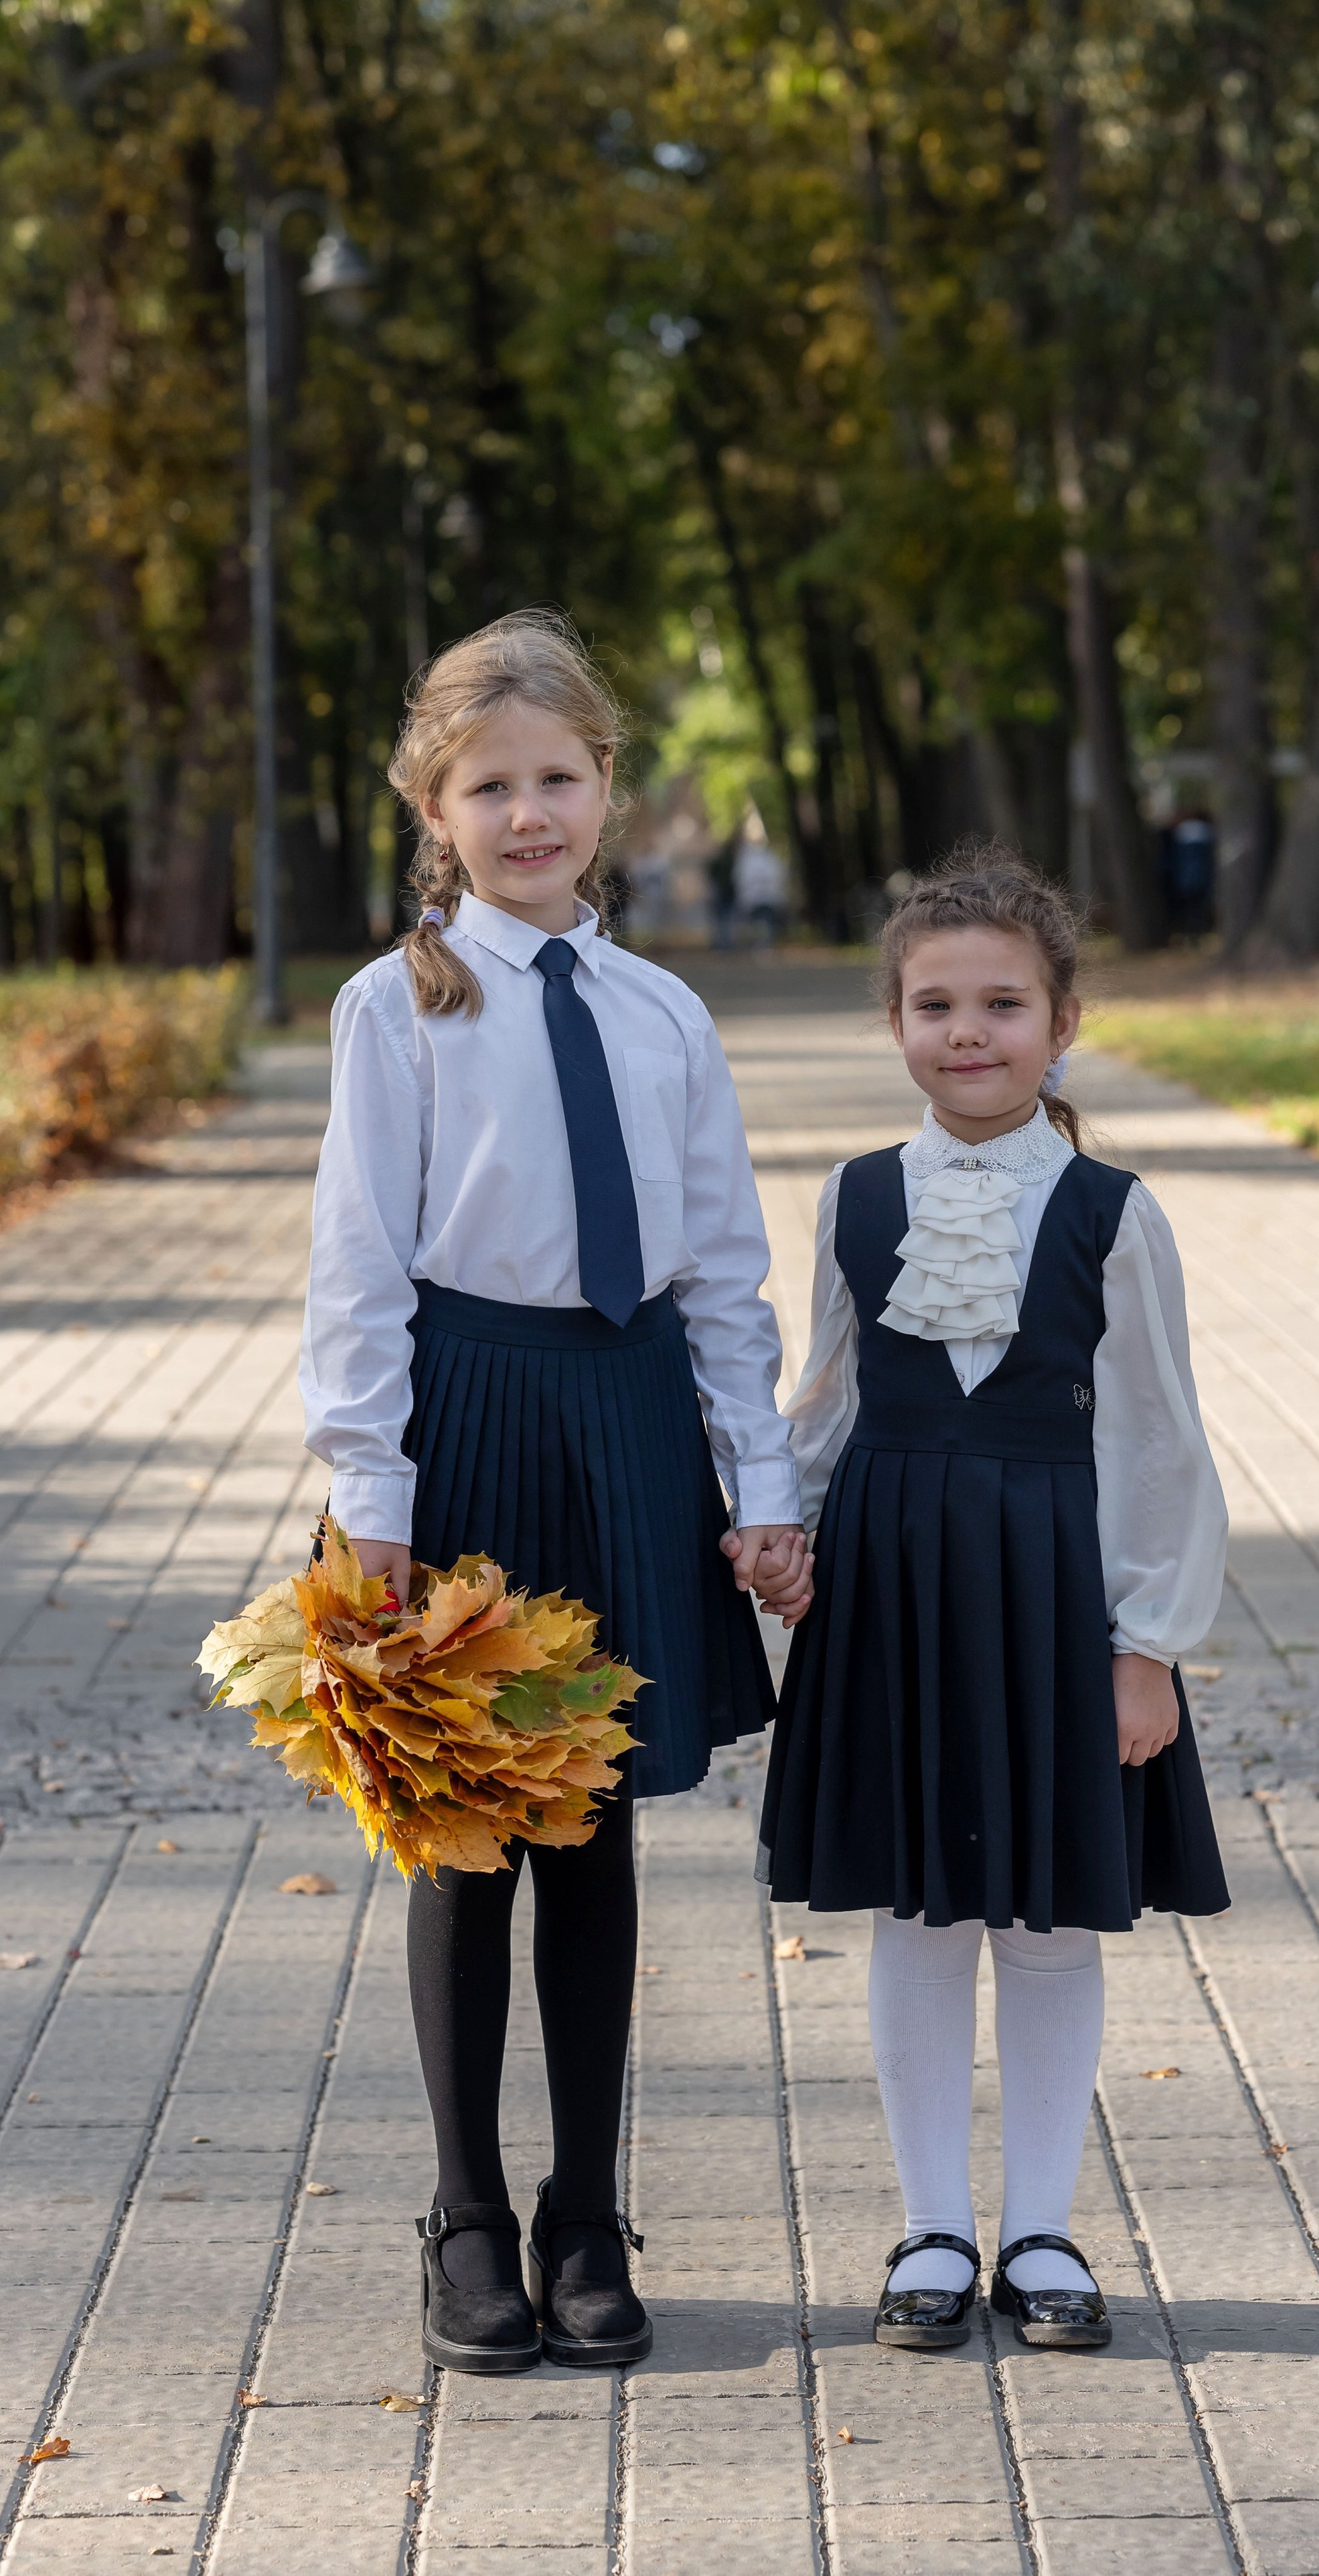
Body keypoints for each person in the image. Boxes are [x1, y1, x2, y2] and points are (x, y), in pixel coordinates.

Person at [300, 610, 807, 2377]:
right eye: (490, 786)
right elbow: (358, 1271)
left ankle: (589, 2210)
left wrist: (762, 1486)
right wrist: (373, 1498)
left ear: (609, 789)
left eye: (559, 779)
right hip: (477, 1421)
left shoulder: (667, 1014)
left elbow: (729, 1272)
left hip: (629, 1419)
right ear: (434, 809)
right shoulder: (398, 1009)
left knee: (594, 1825)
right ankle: (467, 2218)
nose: (531, 813)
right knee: (469, 1829)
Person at [756, 848, 1229, 2354]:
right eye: (936, 1004)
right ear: (895, 1021)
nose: (970, 1032)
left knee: (1041, 1917)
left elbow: (1157, 1439)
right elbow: (822, 1399)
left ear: (1062, 1018)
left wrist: (1144, 1645)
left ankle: (1037, 2225)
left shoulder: (1111, 1213)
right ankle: (929, 2229)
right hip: (891, 1593)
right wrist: (782, 1528)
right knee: (916, 1907)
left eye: (1002, 1004)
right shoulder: (854, 1196)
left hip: (1049, 1598)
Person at [734, 812, 788, 947]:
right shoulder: (768, 858)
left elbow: (740, 878)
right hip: (762, 896)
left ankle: (763, 944)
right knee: (763, 922)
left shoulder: (749, 859)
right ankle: (763, 944)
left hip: (759, 897)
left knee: (761, 922)